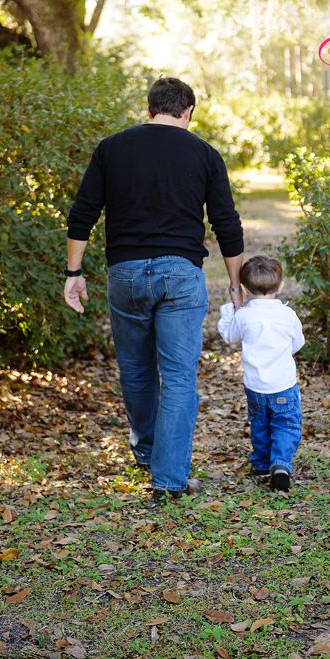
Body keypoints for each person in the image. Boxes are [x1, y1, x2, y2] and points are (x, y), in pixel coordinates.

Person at [64, 77, 244, 503]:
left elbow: (83, 212)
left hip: (124, 273)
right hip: (181, 275)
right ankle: (168, 479)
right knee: (179, 377)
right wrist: (236, 284)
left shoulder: (112, 147)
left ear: (150, 110)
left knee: (137, 370)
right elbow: (227, 223)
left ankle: (146, 452)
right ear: (187, 113)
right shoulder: (204, 153)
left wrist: (73, 272)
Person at [218, 256, 304, 492]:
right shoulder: (288, 315)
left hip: (255, 387)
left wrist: (229, 310)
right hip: (283, 385)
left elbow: (230, 337)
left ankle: (261, 464)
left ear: (244, 289)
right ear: (280, 287)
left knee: (260, 423)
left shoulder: (244, 315)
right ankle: (280, 465)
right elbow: (298, 342)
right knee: (286, 425)